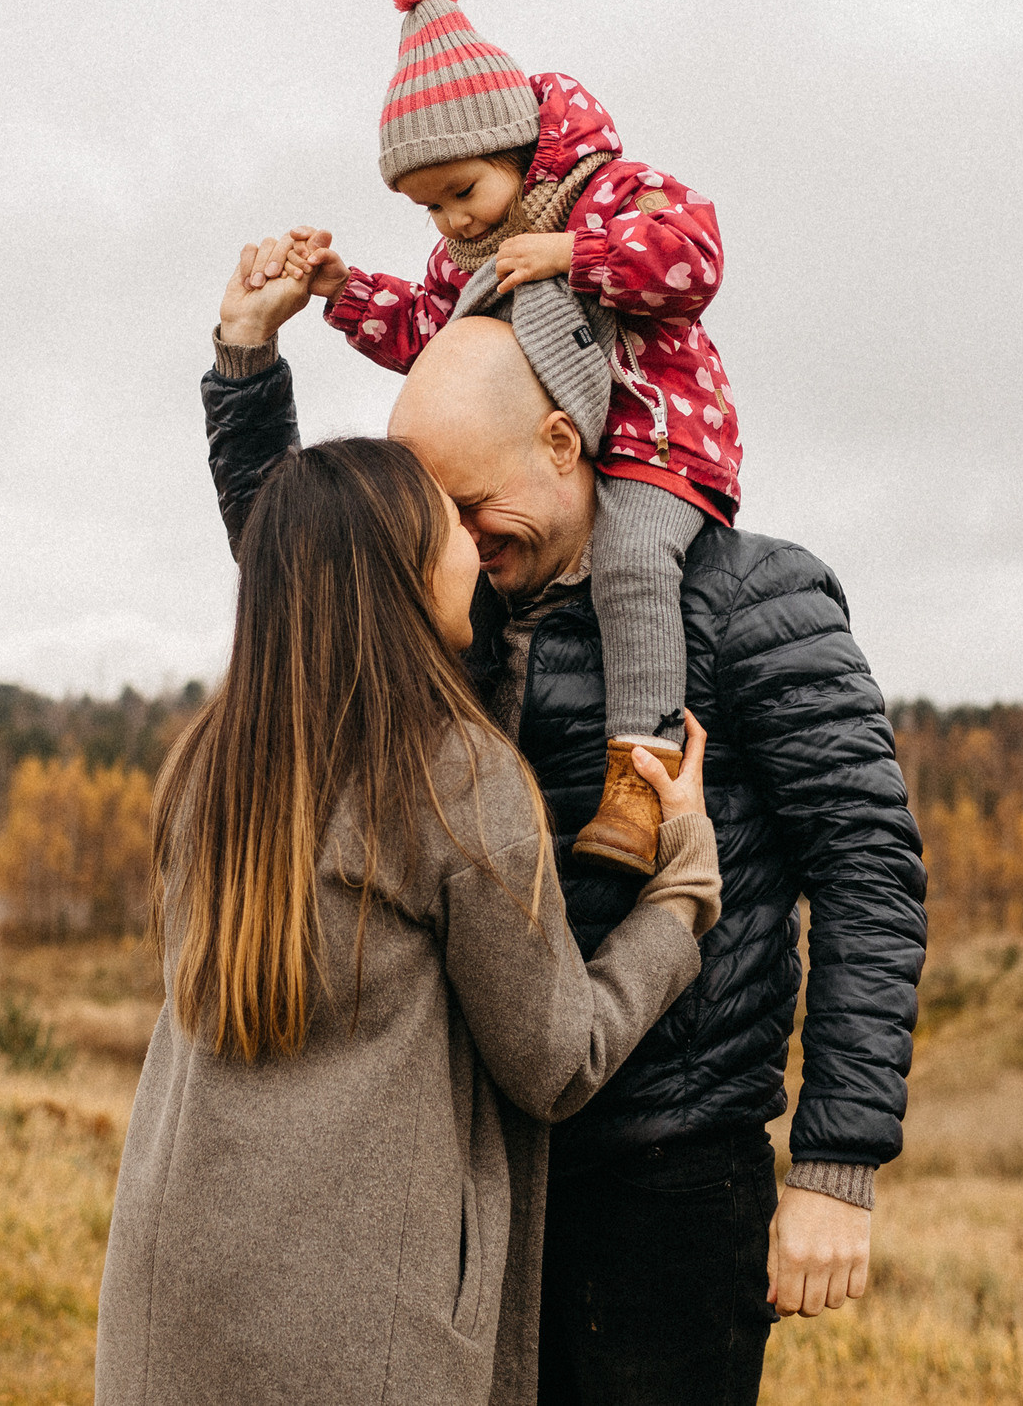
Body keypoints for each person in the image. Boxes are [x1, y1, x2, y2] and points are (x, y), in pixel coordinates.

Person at [205, 236, 927, 1406]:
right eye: (436, 520)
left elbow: (867, 874)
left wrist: (836, 1165)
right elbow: (309, 585)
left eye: (473, 506)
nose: (458, 541)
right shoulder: (458, 612)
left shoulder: (752, 600)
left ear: (560, 442)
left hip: (668, 1175)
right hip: (476, 1168)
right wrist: (246, 363)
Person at [94, 435, 724, 1406]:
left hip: (171, 1303)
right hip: (352, 1339)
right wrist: (682, 889)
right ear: (403, 571)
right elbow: (558, 1060)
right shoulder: (452, 776)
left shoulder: (211, 763)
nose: (474, 541)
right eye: (449, 526)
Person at [267, 0, 741, 876]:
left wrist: (576, 252)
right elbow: (430, 333)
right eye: (429, 207)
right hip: (554, 453)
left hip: (659, 434)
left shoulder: (614, 190)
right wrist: (342, 289)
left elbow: (695, 258)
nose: (450, 221)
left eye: (461, 190)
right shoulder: (468, 254)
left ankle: (639, 780)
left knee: (632, 564)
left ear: (514, 148)